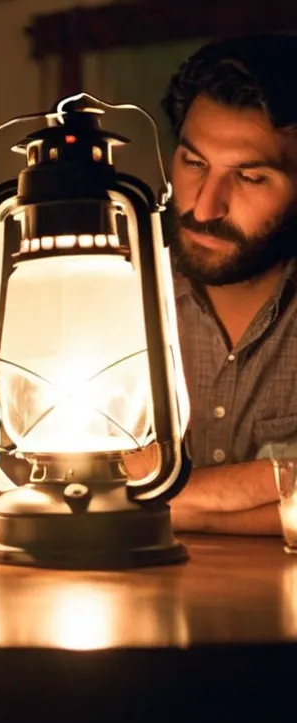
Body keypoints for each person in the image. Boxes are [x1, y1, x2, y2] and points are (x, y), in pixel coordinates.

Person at [157, 33, 297, 534]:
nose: (204, 206)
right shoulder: (117, 300)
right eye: (194, 164)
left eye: (250, 177)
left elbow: (118, 499)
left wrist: (154, 504)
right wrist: (278, 488)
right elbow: (66, 482)